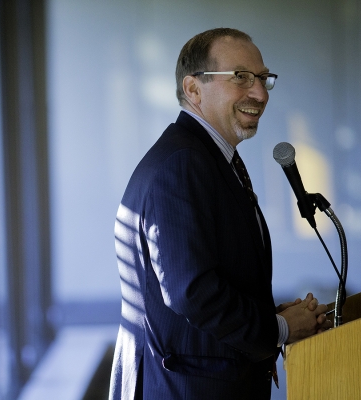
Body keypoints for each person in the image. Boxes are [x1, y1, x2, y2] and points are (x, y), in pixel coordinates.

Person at [109, 28, 331, 400]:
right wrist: (277, 329)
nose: (259, 93)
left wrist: (272, 315)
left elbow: (213, 274)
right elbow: (191, 291)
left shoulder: (207, 158)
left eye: (262, 78)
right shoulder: (182, 164)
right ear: (194, 90)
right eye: (241, 77)